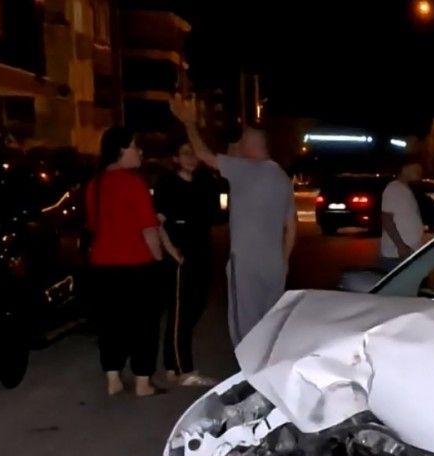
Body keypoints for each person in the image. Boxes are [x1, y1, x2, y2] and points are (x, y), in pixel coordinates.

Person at [170, 96, 296, 346]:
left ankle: (248, 368)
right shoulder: (281, 177)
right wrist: (283, 261)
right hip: (274, 265)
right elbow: (291, 226)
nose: (237, 145)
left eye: (242, 140)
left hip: (246, 264)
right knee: (270, 326)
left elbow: (203, 154)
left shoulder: (244, 170)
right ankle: (267, 367)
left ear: (252, 144)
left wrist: (188, 123)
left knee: (245, 329)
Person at [85, 126, 183, 397]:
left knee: (111, 323)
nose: (139, 152)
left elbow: (93, 225)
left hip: (102, 265)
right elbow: (149, 230)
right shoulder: (134, 183)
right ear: (120, 150)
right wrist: (160, 259)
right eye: (134, 146)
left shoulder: (95, 184)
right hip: (136, 264)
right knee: (144, 324)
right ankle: (142, 381)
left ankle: (113, 377)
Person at [154, 143, 220, 387]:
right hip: (180, 253)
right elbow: (158, 223)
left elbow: (214, 215)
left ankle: (173, 364)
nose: (191, 158)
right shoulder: (167, 184)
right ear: (175, 157)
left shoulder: (205, 182)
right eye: (185, 153)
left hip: (202, 250)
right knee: (180, 311)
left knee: (195, 307)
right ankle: (184, 369)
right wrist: (172, 251)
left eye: (194, 153)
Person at [379, 161, 426, 272]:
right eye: (416, 169)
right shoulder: (393, 188)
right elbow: (387, 219)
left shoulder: (404, 189)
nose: (420, 172)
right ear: (404, 169)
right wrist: (400, 245)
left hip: (408, 253)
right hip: (397, 255)